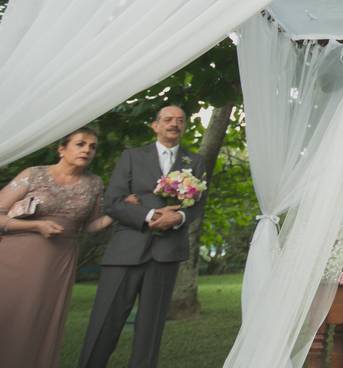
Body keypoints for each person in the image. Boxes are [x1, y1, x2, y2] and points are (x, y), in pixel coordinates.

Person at [78, 106, 206, 368]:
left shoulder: (195, 162)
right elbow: (112, 203)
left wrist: (179, 218)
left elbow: (198, 207)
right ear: (155, 125)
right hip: (127, 250)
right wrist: (149, 216)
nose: (174, 124)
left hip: (166, 254)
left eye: (180, 121)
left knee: (151, 329)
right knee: (105, 323)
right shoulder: (132, 157)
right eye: (168, 119)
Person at [0, 128, 115, 368]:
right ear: (61, 149)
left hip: (58, 262)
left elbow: (92, 225)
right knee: (8, 312)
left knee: (39, 319)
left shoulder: (94, 184)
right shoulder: (34, 174)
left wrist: (117, 213)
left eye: (92, 146)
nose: (87, 150)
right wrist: (36, 227)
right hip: (16, 256)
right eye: (80, 144)